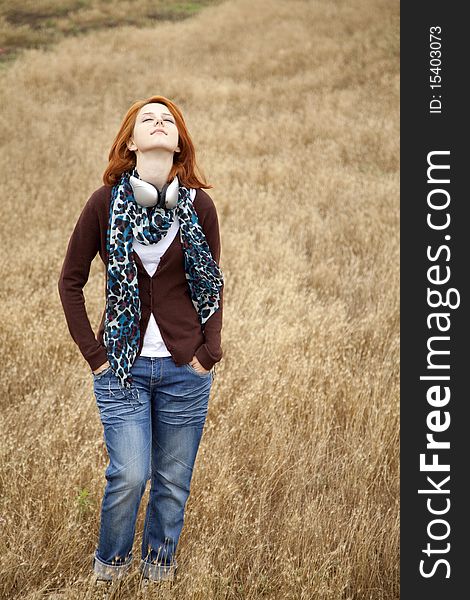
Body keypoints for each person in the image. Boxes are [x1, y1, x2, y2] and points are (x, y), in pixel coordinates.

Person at [57, 95, 224, 586]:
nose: (159, 123)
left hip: (183, 369)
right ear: (130, 142)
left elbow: (211, 283)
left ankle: (158, 575)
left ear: (178, 143)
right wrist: (95, 354)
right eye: (147, 119)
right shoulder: (104, 203)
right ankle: (108, 573)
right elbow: (71, 280)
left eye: (167, 120)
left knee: (172, 485)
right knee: (129, 475)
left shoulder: (200, 207)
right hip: (122, 369)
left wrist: (207, 353)